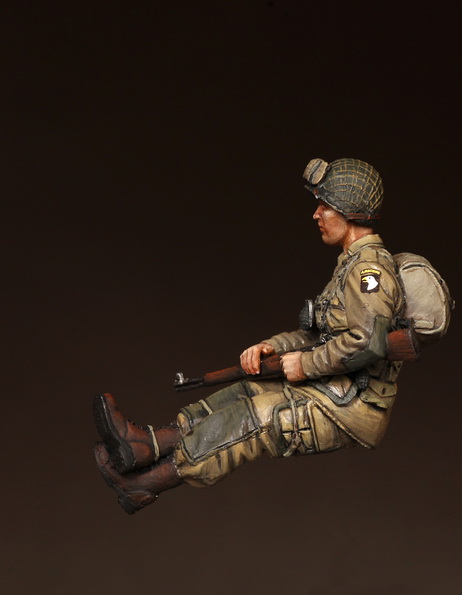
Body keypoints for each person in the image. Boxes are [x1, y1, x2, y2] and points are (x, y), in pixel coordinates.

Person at [94, 157, 405, 514]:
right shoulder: (350, 264)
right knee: (242, 392)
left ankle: (145, 484)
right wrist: (272, 346)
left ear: (349, 211)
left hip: (352, 408)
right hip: (333, 388)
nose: (316, 214)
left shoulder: (369, 270)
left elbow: (367, 344)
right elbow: (321, 335)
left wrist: (305, 365)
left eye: (325, 206)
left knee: (248, 419)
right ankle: (146, 445)